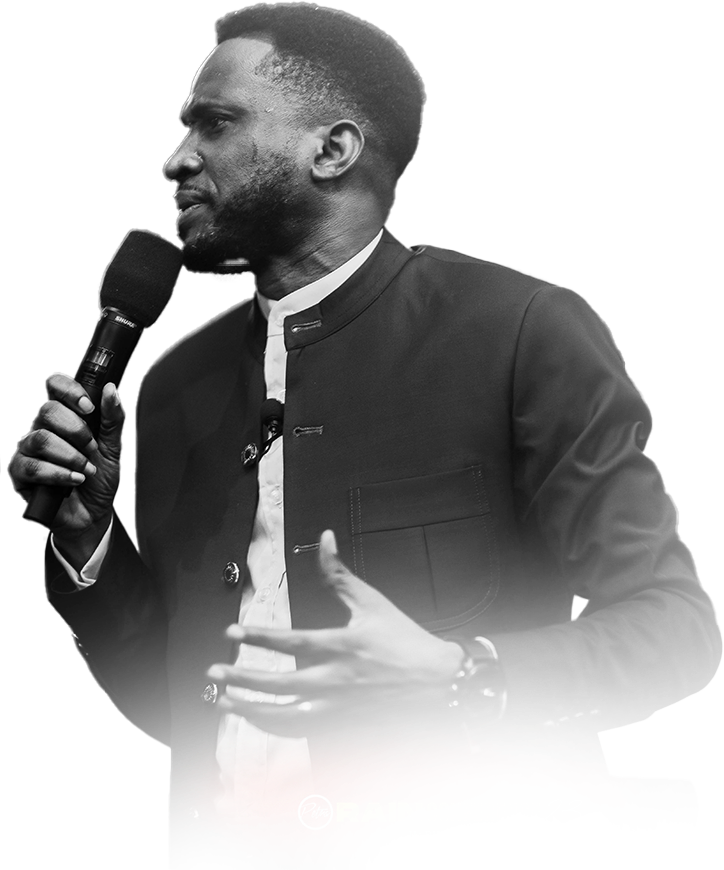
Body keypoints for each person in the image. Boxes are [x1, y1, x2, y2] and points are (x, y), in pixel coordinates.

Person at [9, 2, 720, 858]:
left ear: (333, 150)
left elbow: (674, 628)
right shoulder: (171, 384)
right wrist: (89, 542)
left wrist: (465, 674)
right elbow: (184, 706)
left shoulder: (519, 331)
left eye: (216, 123)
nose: (176, 159)